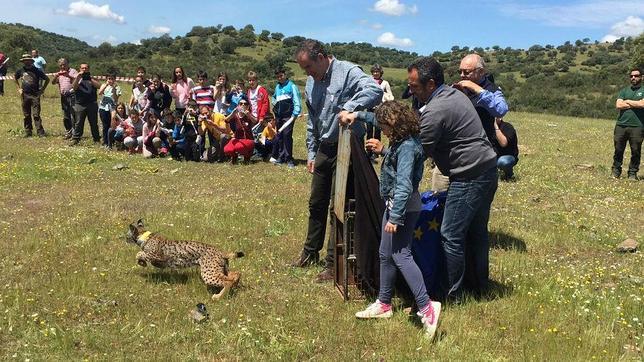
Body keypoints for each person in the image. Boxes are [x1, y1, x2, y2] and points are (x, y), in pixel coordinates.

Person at [345, 101, 440, 340]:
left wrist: (395, 217)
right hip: (396, 205)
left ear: (395, 125)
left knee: (400, 255)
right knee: (386, 253)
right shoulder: (403, 140)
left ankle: (427, 307)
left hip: (403, 208)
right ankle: (384, 304)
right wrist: (355, 115)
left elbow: (405, 183)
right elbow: (375, 120)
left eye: (385, 127)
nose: (383, 130)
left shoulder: (407, 146)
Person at [290, 39, 383, 282]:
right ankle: (310, 253)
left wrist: (351, 107)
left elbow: (375, 91)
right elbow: (312, 119)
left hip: (347, 147)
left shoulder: (349, 72)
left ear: (321, 57)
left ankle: (333, 264)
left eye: (309, 67)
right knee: (316, 203)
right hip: (324, 147)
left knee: (338, 207)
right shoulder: (312, 81)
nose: (307, 73)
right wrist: (311, 152)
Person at [408, 57, 498, 298]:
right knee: (477, 232)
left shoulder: (436, 109)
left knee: (451, 234)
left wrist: (386, 152)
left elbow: (418, 152)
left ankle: (449, 294)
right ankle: (479, 286)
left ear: (430, 84)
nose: (411, 91)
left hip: (469, 175)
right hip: (488, 167)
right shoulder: (453, 93)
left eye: (415, 86)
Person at [453, 53, 509, 150]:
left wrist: (477, 89)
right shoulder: (458, 87)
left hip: (483, 148)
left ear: (481, 72)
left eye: (466, 72)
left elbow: (501, 110)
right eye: (460, 71)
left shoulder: (493, 89)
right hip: (460, 146)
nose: (462, 75)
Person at [613, 67, 644, 180]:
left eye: (636, 76)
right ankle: (616, 172)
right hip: (621, 125)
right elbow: (618, 105)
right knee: (618, 149)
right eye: (631, 76)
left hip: (638, 126)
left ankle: (632, 173)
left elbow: (642, 104)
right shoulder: (624, 90)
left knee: (635, 150)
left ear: (641, 77)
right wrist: (636, 103)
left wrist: (627, 101)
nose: (633, 78)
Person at [271, 67, 301, 168]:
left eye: (281, 75)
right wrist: (274, 103)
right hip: (279, 116)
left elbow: (297, 100)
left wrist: (295, 113)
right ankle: (281, 157)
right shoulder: (277, 87)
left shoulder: (292, 86)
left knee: (287, 136)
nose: (280, 78)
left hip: (288, 116)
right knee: (279, 136)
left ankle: (289, 159)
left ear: (285, 74)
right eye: (278, 77)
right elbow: (274, 97)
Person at [14, 53, 49, 137]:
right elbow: (15, 77)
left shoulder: (37, 70)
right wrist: (19, 88)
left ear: (31, 61)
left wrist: (42, 90)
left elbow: (47, 79)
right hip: (24, 95)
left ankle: (40, 132)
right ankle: (28, 131)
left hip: (35, 95)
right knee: (26, 115)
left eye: (28, 60)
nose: (26, 62)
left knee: (36, 114)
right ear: (23, 62)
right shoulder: (21, 70)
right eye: (25, 61)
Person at [365, 64, 394, 160]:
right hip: (370, 107)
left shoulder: (385, 83)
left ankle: (376, 152)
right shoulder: (368, 81)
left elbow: (390, 95)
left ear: (380, 73)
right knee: (369, 130)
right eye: (374, 71)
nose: (375, 73)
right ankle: (368, 150)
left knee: (377, 130)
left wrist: (385, 98)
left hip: (379, 109)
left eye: (377, 71)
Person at [70, 63, 100, 145]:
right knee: (79, 122)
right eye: (82, 68)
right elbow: (74, 87)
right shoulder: (77, 78)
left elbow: (99, 86)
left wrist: (90, 78)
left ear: (89, 69)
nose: (84, 70)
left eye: (86, 68)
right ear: (80, 69)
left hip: (92, 103)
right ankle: (76, 139)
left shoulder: (92, 78)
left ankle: (96, 139)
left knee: (94, 123)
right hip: (80, 104)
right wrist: (78, 78)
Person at [51, 58, 78, 139]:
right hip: (63, 97)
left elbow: (77, 80)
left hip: (72, 95)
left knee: (73, 114)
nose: (62, 66)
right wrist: (56, 76)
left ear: (68, 64)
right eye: (61, 65)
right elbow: (53, 83)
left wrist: (68, 75)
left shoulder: (73, 71)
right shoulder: (59, 73)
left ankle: (75, 133)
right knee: (66, 115)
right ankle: (68, 131)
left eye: (64, 64)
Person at [224, 99, 256, 164]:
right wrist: (232, 113)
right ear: (238, 105)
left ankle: (247, 157)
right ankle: (234, 158)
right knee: (227, 149)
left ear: (248, 106)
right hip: (237, 139)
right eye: (241, 104)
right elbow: (226, 120)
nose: (243, 105)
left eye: (245, 104)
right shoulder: (235, 115)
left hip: (248, 140)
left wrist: (248, 115)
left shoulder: (249, 115)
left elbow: (255, 121)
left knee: (239, 147)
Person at [98, 74, 122, 147]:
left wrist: (114, 90)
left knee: (112, 125)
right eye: (109, 79)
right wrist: (105, 86)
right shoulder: (103, 85)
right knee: (105, 125)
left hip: (112, 108)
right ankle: (105, 141)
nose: (110, 80)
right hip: (103, 107)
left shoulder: (118, 87)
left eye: (112, 79)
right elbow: (99, 93)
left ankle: (112, 141)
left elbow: (115, 99)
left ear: (115, 80)